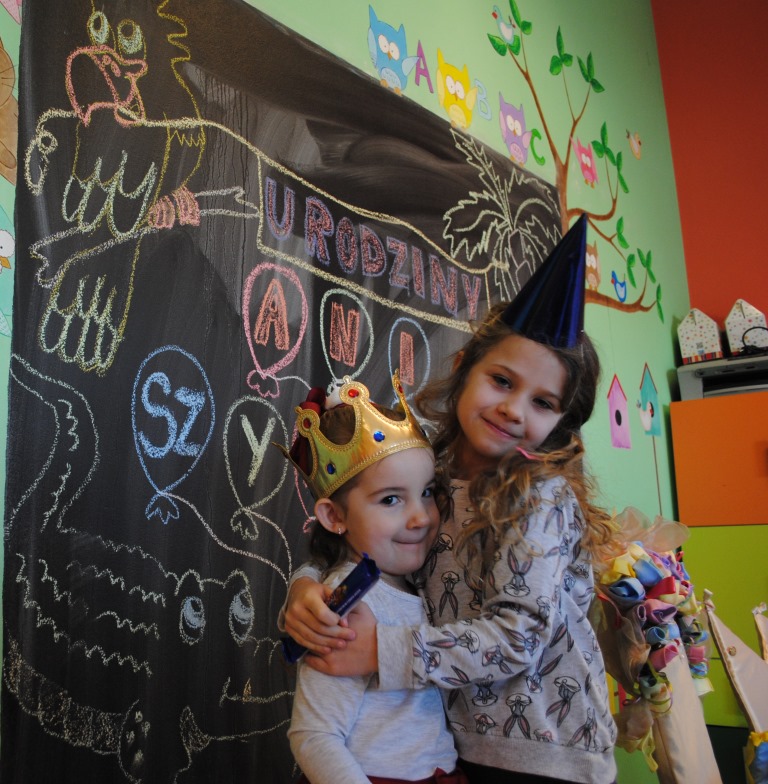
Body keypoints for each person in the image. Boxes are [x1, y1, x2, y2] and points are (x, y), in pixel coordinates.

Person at [281, 215, 620, 784]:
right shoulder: (425, 476)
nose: (513, 409)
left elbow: (517, 636)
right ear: (464, 368)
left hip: (550, 757)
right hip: (458, 747)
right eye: (502, 381)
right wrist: (306, 585)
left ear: (560, 421)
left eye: (542, 403)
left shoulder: (541, 497)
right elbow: (361, 540)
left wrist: (380, 652)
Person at [278, 372, 468, 784]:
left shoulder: (420, 576)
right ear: (334, 516)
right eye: (391, 499)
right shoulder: (346, 602)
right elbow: (314, 735)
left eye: (427, 492)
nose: (420, 518)